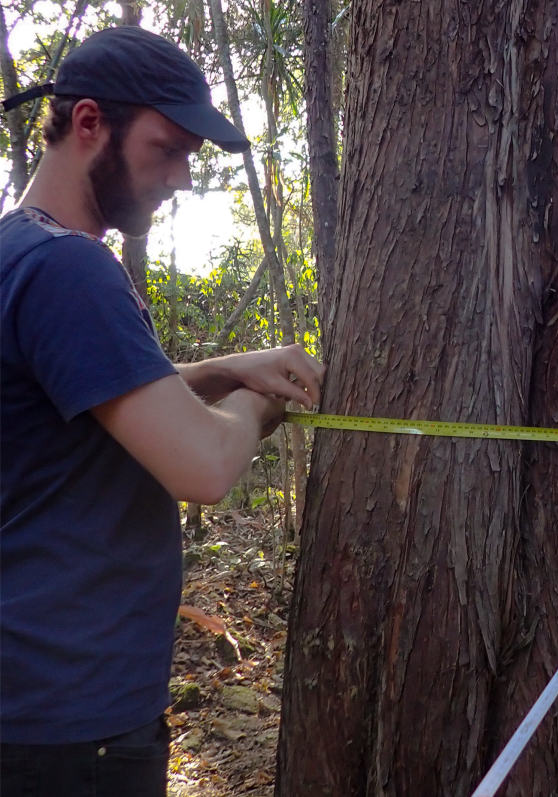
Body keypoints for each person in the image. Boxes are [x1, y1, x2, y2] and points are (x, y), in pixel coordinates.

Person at [0, 27, 324, 797]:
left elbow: (79, 401)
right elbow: (203, 468)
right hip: (72, 726)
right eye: (167, 148)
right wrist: (254, 404)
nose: (181, 176)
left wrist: (217, 370)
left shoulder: (17, 250)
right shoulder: (71, 270)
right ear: (88, 124)